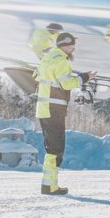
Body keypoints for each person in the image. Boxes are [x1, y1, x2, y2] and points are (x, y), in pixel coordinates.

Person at [36, 32, 94, 195]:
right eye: (72, 44)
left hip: (44, 108)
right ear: (66, 44)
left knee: (51, 148)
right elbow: (67, 84)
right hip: (54, 109)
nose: (74, 48)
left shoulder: (47, 58)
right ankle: (49, 187)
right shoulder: (61, 61)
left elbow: (37, 76)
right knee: (56, 149)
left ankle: (49, 185)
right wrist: (84, 77)